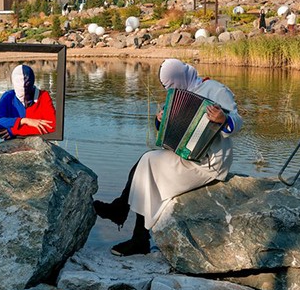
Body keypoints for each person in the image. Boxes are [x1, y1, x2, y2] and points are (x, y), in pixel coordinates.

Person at [93, 59, 242, 256]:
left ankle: (128, 222)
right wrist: (160, 119)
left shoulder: (215, 90)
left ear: (180, 77)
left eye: (171, 85)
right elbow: (168, 131)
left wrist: (223, 119)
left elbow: (238, 123)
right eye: (167, 87)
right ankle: (132, 227)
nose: (170, 90)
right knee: (147, 162)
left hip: (209, 162)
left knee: (148, 165)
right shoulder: (177, 95)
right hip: (185, 155)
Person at [0, 64, 56, 139]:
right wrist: (23, 121)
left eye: (27, 86)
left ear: (32, 82)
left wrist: (14, 130)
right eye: (20, 87)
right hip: (13, 145)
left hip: (36, 144)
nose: (24, 89)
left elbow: (52, 126)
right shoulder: (8, 97)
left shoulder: (43, 96)